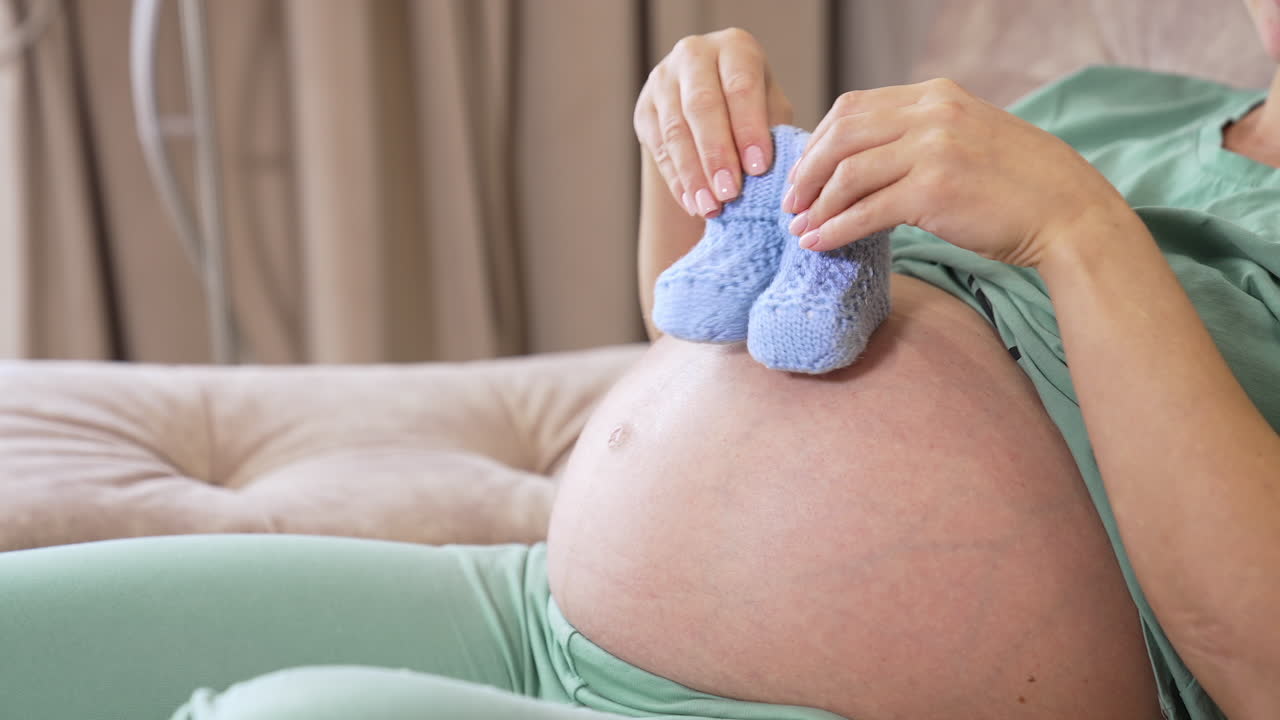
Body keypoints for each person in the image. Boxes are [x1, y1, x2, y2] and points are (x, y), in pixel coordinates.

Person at [2, 2, 1278, 718]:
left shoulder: (1072, 182)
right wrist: (698, 157)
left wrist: (1074, 227)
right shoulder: (1111, 103)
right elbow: (707, 331)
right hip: (529, 605)